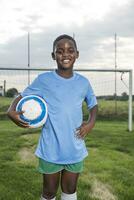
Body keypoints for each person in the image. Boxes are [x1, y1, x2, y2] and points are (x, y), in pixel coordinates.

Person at [7, 34, 98, 200]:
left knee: (70, 190)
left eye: (70, 50)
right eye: (60, 51)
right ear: (53, 55)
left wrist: (91, 123)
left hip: (75, 146)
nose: (65, 54)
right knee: (49, 192)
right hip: (51, 148)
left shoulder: (83, 82)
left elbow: (93, 104)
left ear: (77, 54)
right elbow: (22, 95)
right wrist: (11, 110)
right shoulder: (44, 80)